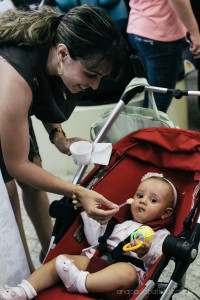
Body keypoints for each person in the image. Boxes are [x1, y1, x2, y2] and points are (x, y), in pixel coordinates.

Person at [0, 4, 125, 280]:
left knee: (35, 172)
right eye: (91, 75)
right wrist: (77, 191)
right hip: (3, 98)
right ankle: (25, 273)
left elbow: (42, 94)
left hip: (13, 103)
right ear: (63, 54)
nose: (94, 86)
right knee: (8, 193)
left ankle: (49, 256)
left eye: (100, 78)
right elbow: (17, 164)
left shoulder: (56, 43)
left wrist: (59, 138)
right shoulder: (14, 78)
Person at [0, 172, 178, 300]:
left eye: (153, 200)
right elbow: (95, 239)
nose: (143, 200)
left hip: (122, 282)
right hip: (95, 260)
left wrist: (144, 250)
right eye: (140, 195)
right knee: (62, 260)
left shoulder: (160, 234)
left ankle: (80, 282)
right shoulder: (118, 223)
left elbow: (157, 257)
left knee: (126, 272)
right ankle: (23, 291)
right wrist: (92, 217)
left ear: (165, 213)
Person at [127, 0, 200, 113]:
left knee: (151, 97)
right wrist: (195, 33)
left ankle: (146, 129)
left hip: (137, 27)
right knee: (157, 107)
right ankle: (149, 130)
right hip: (160, 35)